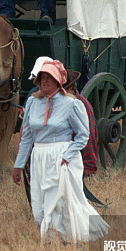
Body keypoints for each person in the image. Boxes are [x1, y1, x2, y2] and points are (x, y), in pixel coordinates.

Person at [12, 60, 109, 242]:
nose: (45, 81)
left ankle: (59, 241)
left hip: (62, 157)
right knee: (40, 204)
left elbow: (83, 135)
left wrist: (67, 154)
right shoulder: (33, 103)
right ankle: (56, 237)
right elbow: (27, 137)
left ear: (58, 81)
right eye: (42, 77)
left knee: (61, 201)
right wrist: (18, 165)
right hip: (39, 157)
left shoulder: (72, 104)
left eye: (50, 77)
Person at [19, 56, 98, 204]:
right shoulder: (41, 101)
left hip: (71, 156)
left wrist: (89, 163)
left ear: (69, 88)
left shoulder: (80, 105)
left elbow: (89, 136)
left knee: (69, 198)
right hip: (48, 157)